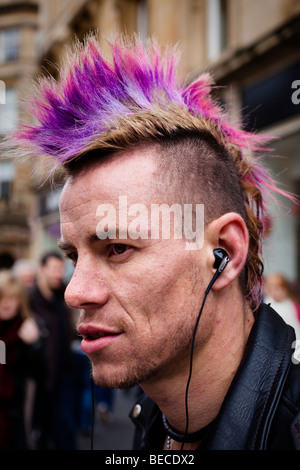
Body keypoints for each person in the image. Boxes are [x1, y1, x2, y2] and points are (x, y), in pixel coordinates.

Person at [4, 34, 300, 450]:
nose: (75, 292)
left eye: (118, 248)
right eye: (73, 255)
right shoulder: (154, 423)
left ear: (225, 253)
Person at [28, 251, 77, 449]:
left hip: (61, 378)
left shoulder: (63, 299)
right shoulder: (28, 302)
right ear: (41, 270)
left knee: (65, 433)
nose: (59, 274)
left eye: (61, 270)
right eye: (54, 269)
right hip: (36, 381)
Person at [0, 270, 45, 450]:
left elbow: (42, 376)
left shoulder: (29, 329)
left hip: (16, 416)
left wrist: (34, 344)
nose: (6, 303)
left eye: (12, 297)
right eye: (2, 297)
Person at [264, 273, 300, 339]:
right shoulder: (267, 305)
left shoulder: (292, 306)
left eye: (277, 289)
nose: (273, 291)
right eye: (270, 288)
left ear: (285, 289)